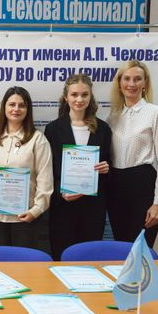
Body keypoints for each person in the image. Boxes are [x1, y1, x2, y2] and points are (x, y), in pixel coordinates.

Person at [44, 74, 111, 260]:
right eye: (74, 95)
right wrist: (61, 191)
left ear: (90, 97)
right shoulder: (53, 129)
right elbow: (48, 171)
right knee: (62, 258)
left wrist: (106, 168)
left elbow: (110, 168)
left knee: (89, 260)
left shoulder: (103, 129)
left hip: (93, 209)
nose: (79, 99)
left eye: (84, 94)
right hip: (63, 207)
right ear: (66, 97)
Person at [107, 60, 158, 247]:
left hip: (143, 186)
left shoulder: (157, 113)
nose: (131, 84)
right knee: (121, 248)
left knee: (140, 249)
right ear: (119, 83)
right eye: (126, 79)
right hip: (116, 187)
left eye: (137, 79)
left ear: (145, 83)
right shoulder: (113, 116)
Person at [0, 86, 53, 252]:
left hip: (26, 216)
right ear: (4, 107)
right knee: (0, 262)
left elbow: (45, 179)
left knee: (23, 264)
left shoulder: (38, 139)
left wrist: (36, 210)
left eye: (22, 105)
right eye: (12, 104)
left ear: (28, 110)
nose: (16, 109)